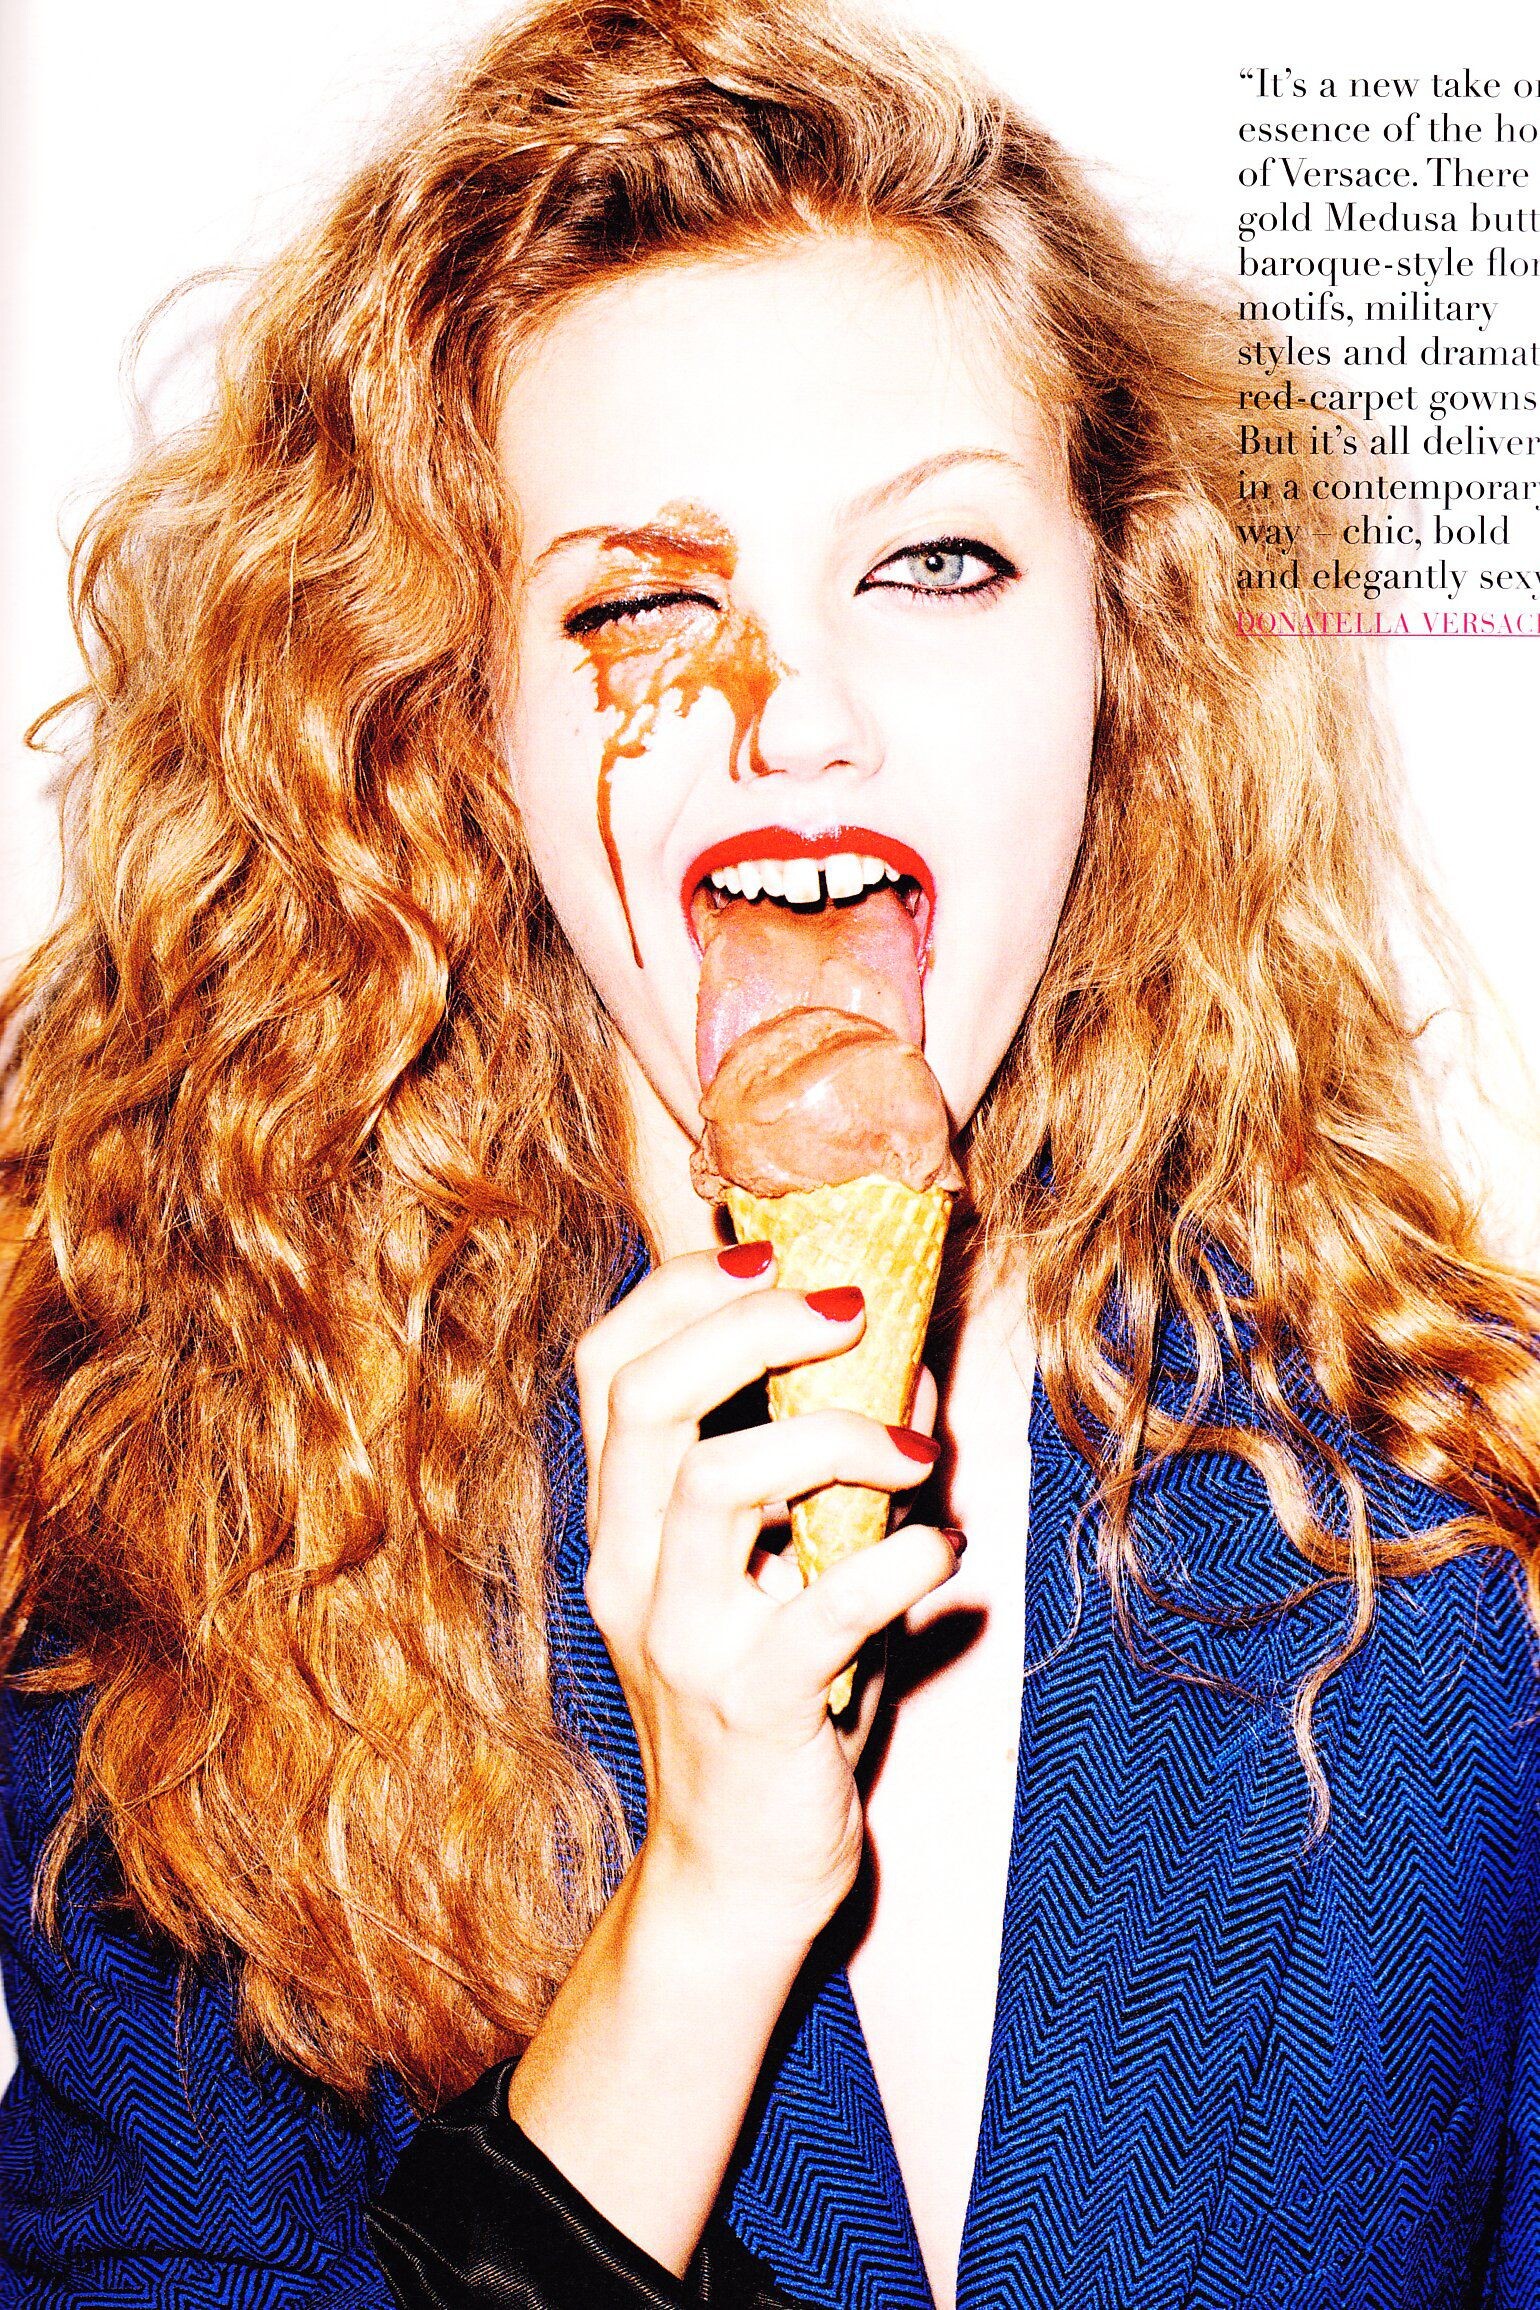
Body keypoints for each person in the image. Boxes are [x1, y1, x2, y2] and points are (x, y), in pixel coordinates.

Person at [1, 2, 1536, 2306]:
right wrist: (700, 1926)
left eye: (932, 564)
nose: (793, 709)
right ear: (465, 731)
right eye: (639, 600)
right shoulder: (191, 1582)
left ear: (1120, 655)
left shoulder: (1454, 1558)